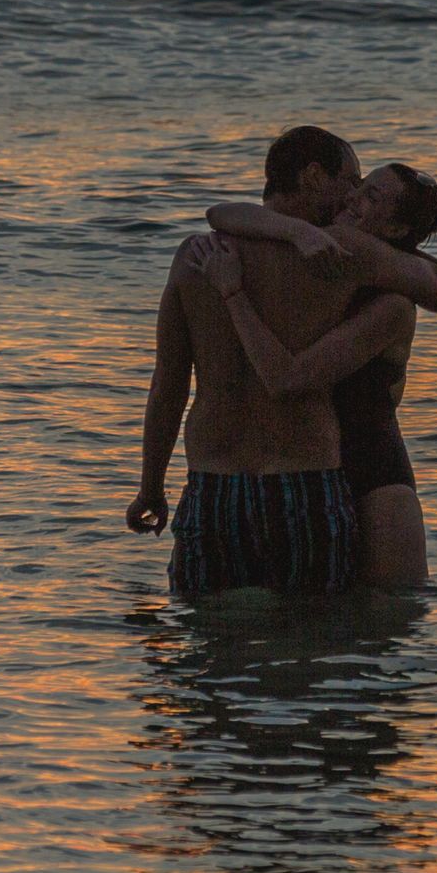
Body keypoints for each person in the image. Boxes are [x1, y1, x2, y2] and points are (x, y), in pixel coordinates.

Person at [130, 125, 375, 599]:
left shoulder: (194, 257)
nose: (354, 195)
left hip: (214, 487)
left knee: (208, 653)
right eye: (351, 179)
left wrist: (151, 488)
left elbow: (168, 386)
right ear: (313, 177)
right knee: (314, 644)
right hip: (305, 484)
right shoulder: (340, 259)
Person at [196, 160, 437, 589]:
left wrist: (232, 293)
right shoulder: (326, 249)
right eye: (359, 185)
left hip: (376, 479)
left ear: (394, 231)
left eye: (372, 196)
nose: (354, 197)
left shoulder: (389, 290)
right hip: (317, 478)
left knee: (383, 631)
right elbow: (220, 214)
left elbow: (288, 379)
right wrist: (297, 231)